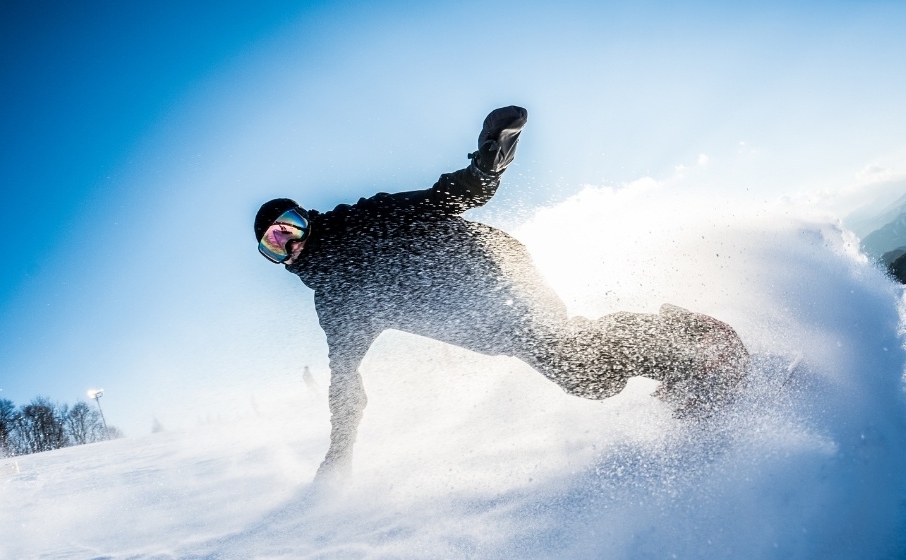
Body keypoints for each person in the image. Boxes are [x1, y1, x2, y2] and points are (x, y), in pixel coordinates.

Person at [254, 106, 749, 481]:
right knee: (588, 377)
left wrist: (493, 154)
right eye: (276, 242)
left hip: (491, 271)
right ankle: (675, 342)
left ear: (308, 217)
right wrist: (340, 453)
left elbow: (454, 195)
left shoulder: (367, 217)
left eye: (292, 225)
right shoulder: (338, 306)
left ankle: (688, 353)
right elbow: (346, 384)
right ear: (275, 260)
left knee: (565, 351)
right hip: (491, 323)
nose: (292, 241)